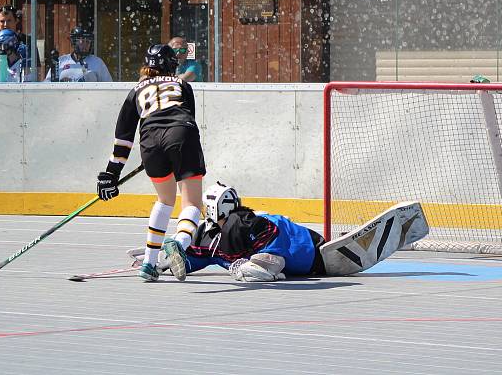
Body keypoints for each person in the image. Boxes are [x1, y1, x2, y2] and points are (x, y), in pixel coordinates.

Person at [132, 183, 430, 282]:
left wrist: (267, 259)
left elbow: (275, 233)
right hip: (307, 256)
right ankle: (262, 264)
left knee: (254, 262)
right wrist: (165, 262)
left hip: (309, 253)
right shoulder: (216, 236)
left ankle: (264, 264)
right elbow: (193, 260)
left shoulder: (240, 224)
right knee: (248, 262)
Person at [97, 43, 206, 282]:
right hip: (181, 134)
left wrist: (111, 174)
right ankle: (179, 242)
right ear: (170, 66)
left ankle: (149, 263)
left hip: (150, 142)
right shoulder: (182, 85)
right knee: (192, 204)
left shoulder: (135, 90)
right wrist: (173, 147)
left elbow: (123, 138)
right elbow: (188, 119)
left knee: (165, 201)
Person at [0, 5, 40, 81]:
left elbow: (36, 73)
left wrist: (27, 60)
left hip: (18, 88)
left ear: (16, 21)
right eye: (2, 21)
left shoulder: (26, 41)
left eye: (9, 20)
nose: (5, 24)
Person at [44, 26, 112, 82]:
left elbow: (109, 86)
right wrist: (60, 84)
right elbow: (47, 84)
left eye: (88, 42)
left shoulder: (97, 62)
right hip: (64, 97)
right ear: (74, 42)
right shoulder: (61, 61)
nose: (85, 45)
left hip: (89, 98)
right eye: (82, 41)